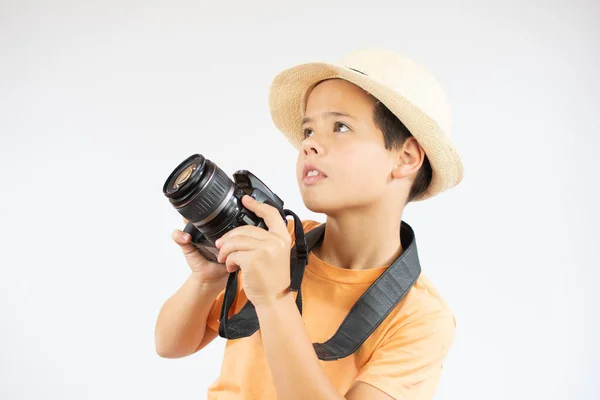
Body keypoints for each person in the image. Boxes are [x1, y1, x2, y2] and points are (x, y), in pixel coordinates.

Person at [155, 47, 464, 400]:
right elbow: (169, 344)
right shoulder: (276, 240)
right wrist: (206, 280)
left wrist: (274, 298)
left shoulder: (420, 318)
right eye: (307, 131)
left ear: (405, 158)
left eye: (340, 127)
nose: (311, 145)